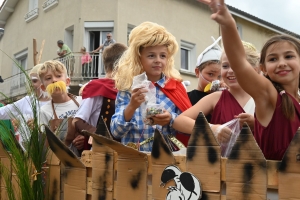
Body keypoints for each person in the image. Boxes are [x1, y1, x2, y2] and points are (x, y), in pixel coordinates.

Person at [204, 0, 300, 160]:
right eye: (273, 59)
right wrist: (228, 24)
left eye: (289, 56)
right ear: (262, 68)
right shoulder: (269, 96)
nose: (282, 63)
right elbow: (240, 63)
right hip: (273, 184)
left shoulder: (296, 100)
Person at [110, 22, 192, 151]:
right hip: (134, 161)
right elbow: (116, 131)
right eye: (151, 55)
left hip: (167, 162)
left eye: (163, 55)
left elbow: (190, 129)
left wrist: (171, 119)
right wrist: (131, 107)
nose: (158, 60)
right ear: (138, 58)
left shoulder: (176, 88)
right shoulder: (128, 88)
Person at [173, 41, 260, 147]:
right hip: (220, 162)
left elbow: (280, 131)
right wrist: (212, 129)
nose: (230, 71)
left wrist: (258, 125)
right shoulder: (215, 98)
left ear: (255, 70)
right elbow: (179, 122)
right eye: (225, 66)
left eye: (237, 65)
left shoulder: (264, 98)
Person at [69, 43, 128, 146]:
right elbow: (77, 121)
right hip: (100, 152)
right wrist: (98, 134)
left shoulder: (126, 90)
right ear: (121, 64)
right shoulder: (97, 88)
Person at [38, 60, 83, 154]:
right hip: (59, 161)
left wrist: (84, 139)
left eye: (58, 76)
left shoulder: (82, 101)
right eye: (48, 78)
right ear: (43, 88)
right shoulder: (44, 111)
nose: (54, 80)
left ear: (67, 81)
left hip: (85, 158)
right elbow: (45, 144)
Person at [188, 37, 222, 106]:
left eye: (220, 76)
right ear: (197, 72)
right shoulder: (186, 98)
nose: (215, 80)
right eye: (211, 74)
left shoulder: (225, 99)